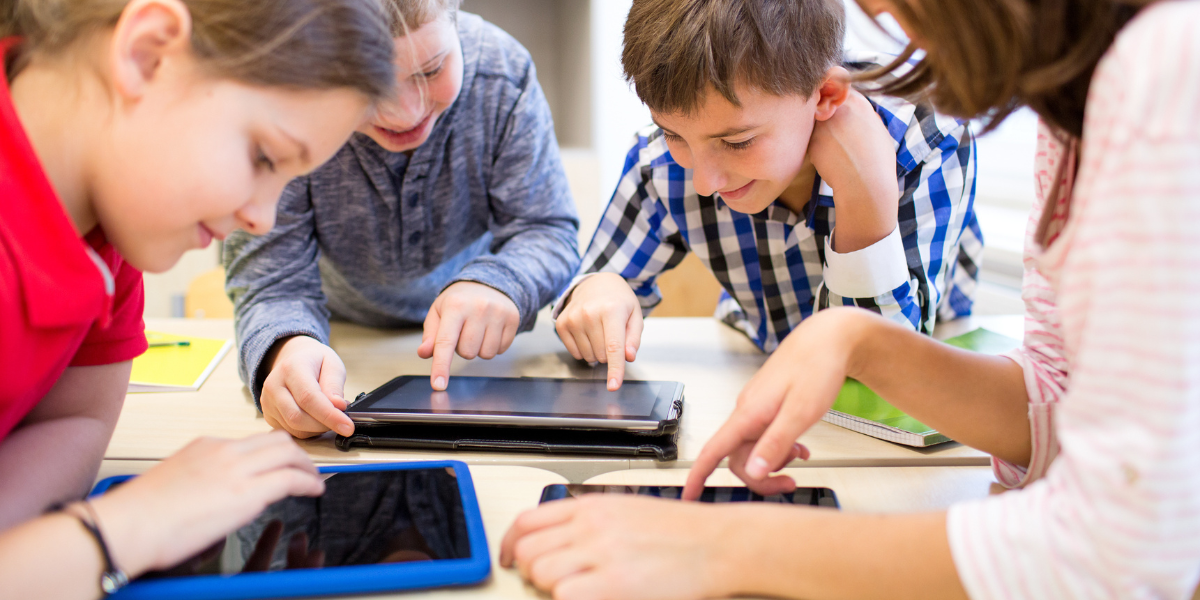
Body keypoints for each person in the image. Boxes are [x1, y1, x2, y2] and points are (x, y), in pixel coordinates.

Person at [500, 0, 1200, 598]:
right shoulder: (1072, 116)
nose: (890, 35)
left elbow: (1129, 544)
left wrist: (718, 544)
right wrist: (855, 339)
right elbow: (1053, 406)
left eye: (890, 9)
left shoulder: (1162, 69)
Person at [0, 0, 396, 595]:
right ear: (147, 52)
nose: (263, 220)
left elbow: (74, 419)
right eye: (264, 156)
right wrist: (124, 527)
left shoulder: (109, 230)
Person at [552, 0, 982, 390]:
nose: (704, 183)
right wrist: (597, 291)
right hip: (757, 358)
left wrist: (864, 196)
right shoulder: (660, 164)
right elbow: (591, 290)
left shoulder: (927, 137)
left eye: (738, 142)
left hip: (929, 369)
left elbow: (884, 367)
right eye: (672, 133)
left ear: (826, 95)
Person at [223, 0, 580, 440]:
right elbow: (271, 279)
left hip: (483, 356)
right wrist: (285, 348)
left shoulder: (502, 74)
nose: (404, 112)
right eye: (368, 87)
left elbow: (547, 230)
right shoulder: (286, 95)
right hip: (337, 338)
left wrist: (502, 281)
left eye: (430, 71)